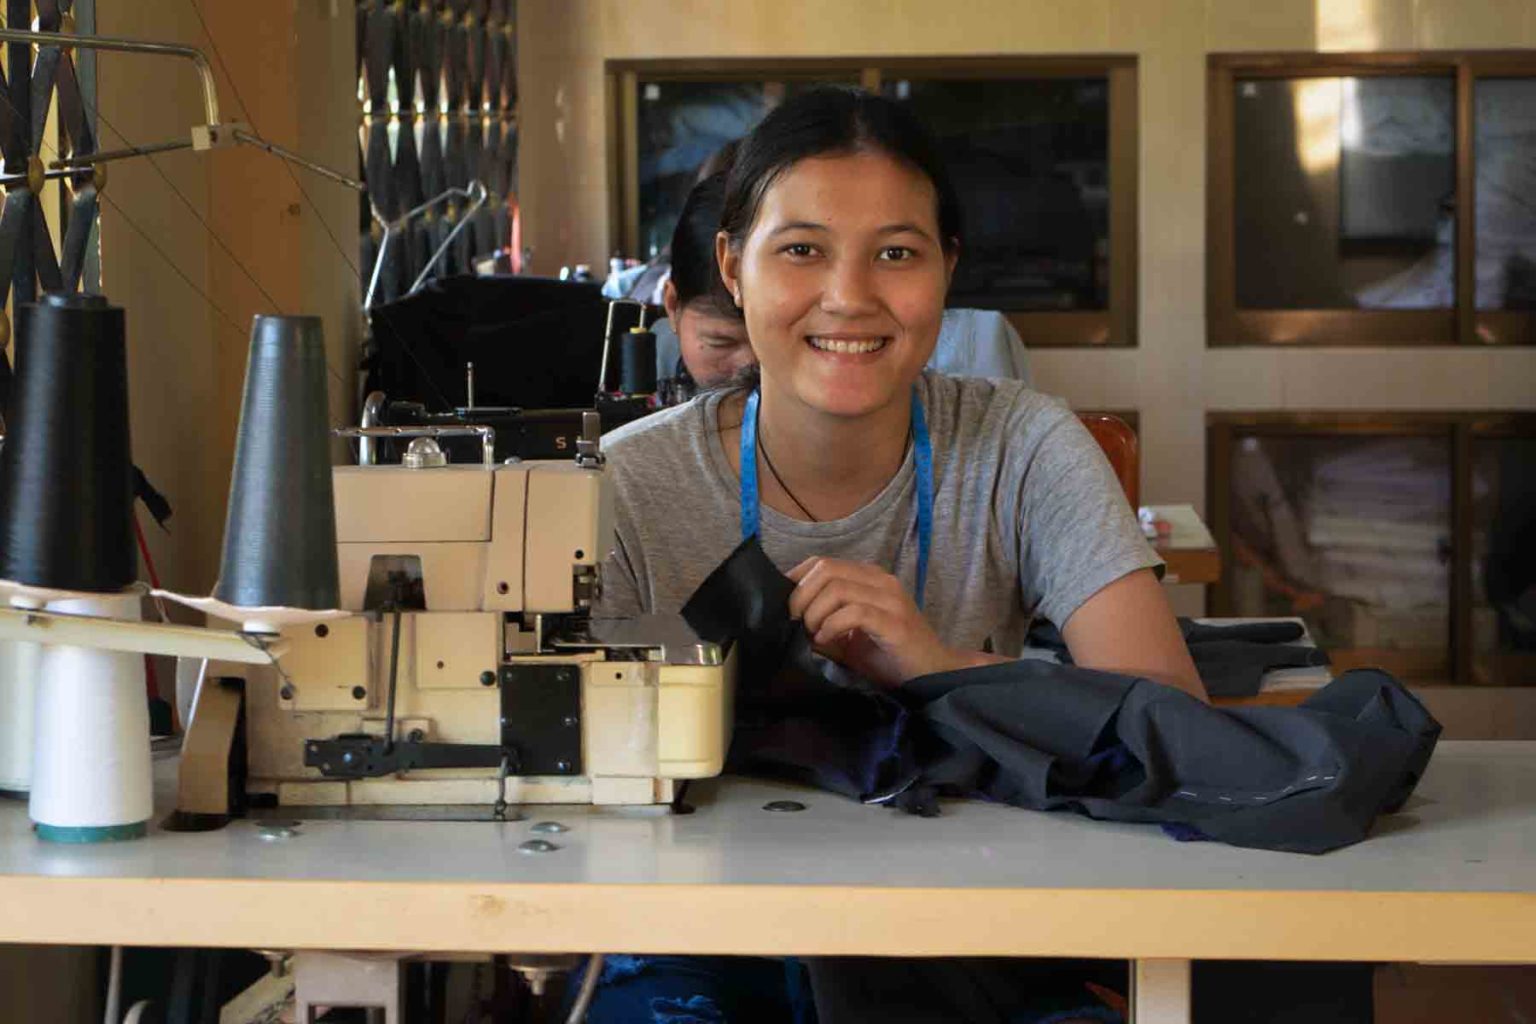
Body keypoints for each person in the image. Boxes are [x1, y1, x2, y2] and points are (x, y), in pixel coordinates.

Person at [584, 85, 1201, 1024]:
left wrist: (942, 668)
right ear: (733, 267)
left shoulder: (1022, 447)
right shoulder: (632, 483)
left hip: (971, 930)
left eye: (897, 254)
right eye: (801, 250)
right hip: (707, 937)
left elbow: (1176, 729)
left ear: (947, 269)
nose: (850, 297)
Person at [653, 171, 1033, 403]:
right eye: (721, 342)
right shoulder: (635, 463)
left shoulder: (1016, 443)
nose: (753, 364)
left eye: (894, 253)